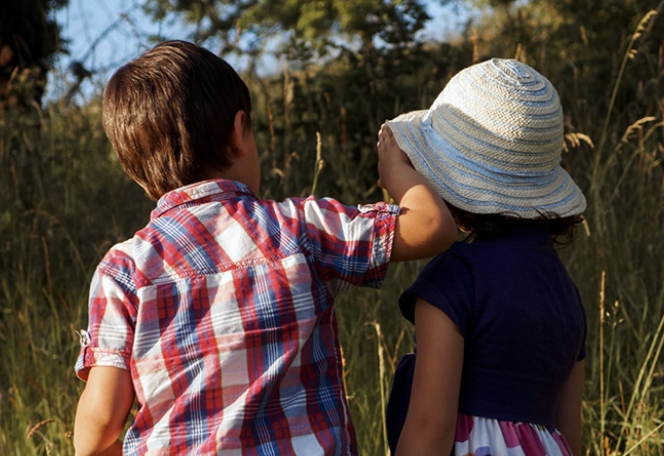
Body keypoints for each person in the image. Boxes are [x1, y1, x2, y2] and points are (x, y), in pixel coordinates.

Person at [72, 40, 456, 456]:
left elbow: (97, 434)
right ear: (239, 133)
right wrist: (395, 169)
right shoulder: (301, 228)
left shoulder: (123, 271)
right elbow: (432, 226)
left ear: (136, 171)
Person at [383, 58, 588, 456]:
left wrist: (398, 175)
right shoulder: (567, 293)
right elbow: (570, 438)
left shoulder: (456, 276)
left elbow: (431, 426)